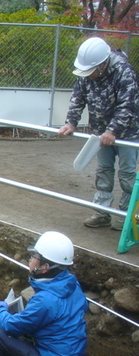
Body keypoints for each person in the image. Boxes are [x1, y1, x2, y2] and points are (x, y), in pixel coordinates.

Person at [0, 231, 88, 356]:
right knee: (33, 331)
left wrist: (0, 309)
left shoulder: (45, 300)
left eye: (34, 257)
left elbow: (10, 327)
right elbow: (77, 309)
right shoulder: (72, 284)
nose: (30, 260)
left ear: (45, 267)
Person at [58, 37, 139, 231]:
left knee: (127, 173)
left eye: (91, 71)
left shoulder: (124, 72)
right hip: (100, 133)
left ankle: (126, 215)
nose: (88, 75)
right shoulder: (86, 73)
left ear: (103, 64)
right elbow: (78, 97)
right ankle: (102, 212)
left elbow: (128, 105)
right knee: (103, 171)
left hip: (127, 133)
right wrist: (71, 122)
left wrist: (114, 130)